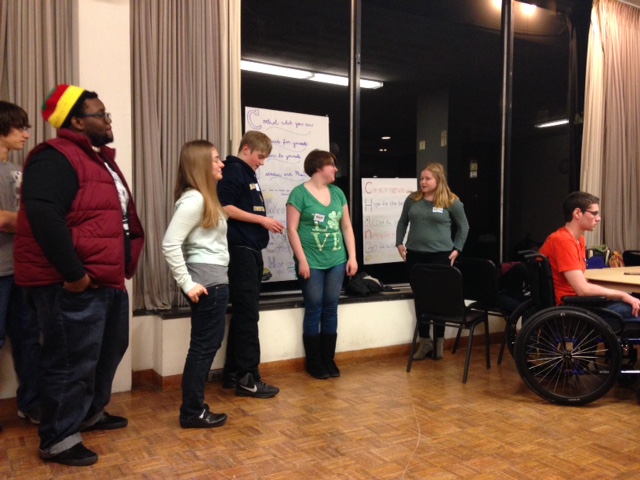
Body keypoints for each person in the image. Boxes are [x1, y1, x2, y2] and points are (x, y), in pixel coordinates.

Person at [14, 85, 145, 466]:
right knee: (70, 362)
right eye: (100, 114)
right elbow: (42, 216)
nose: (108, 120)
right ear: (76, 121)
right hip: (72, 282)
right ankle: (59, 439)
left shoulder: (98, 159)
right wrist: (74, 274)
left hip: (106, 277)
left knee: (107, 351)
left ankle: (89, 413)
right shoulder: (53, 158)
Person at [162, 140, 229, 429]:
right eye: (215, 159)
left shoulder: (202, 198)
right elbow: (169, 244)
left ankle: (194, 407)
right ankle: (192, 411)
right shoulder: (195, 200)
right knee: (203, 348)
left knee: (207, 344)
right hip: (206, 282)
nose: (221, 163)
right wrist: (188, 283)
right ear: (201, 164)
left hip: (212, 279)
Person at [217, 131, 283, 398]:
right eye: (260, 156)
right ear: (246, 149)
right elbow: (225, 207)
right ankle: (248, 378)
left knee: (245, 312)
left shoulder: (248, 173)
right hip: (240, 251)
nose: (262, 162)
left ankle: (233, 374)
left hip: (251, 251)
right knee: (248, 315)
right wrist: (262, 221)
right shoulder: (234, 171)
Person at [286, 150, 357, 379]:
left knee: (331, 307)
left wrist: (353, 257)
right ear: (319, 167)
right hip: (312, 263)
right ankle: (314, 362)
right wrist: (302, 261)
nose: (336, 169)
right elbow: (292, 229)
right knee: (314, 307)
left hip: (336, 260)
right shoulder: (299, 194)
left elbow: (346, 227)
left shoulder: (337, 193)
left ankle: (329, 360)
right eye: (332, 165)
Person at [396, 162, 469, 360]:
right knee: (421, 299)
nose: (423, 182)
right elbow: (403, 222)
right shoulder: (412, 199)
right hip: (416, 256)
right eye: (421, 178)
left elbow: (464, 227)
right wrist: (399, 244)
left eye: (427, 179)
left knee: (439, 300)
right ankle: (424, 341)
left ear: (438, 180)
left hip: (440, 257)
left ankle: (439, 342)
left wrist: (457, 249)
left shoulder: (451, 201)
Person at [0, 101, 41, 431]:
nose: (27, 134)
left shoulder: (20, 170)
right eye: (20, 127)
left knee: (29, 338)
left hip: (23, 269)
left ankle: (31, 404)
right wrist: (29, 220)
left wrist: (20, 221)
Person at [539, 191, 640, 319]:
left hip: (582, 301)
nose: (598, 218)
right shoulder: (563, 241)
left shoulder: (579, 239)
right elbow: (582, 289)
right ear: (577, 213)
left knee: (632, 300)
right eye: (594, 213)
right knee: (632, 304)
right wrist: (623, 295)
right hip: (574, 305)